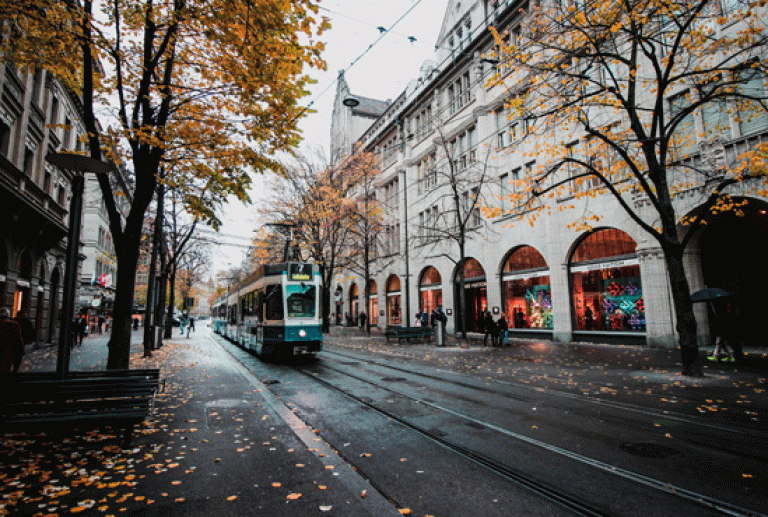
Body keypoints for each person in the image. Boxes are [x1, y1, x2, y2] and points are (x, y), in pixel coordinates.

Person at [0, 308, 25, 374]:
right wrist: (21, 351)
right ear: (8, 315)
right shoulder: (14, 324)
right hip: (8, 352)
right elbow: (18, 339)